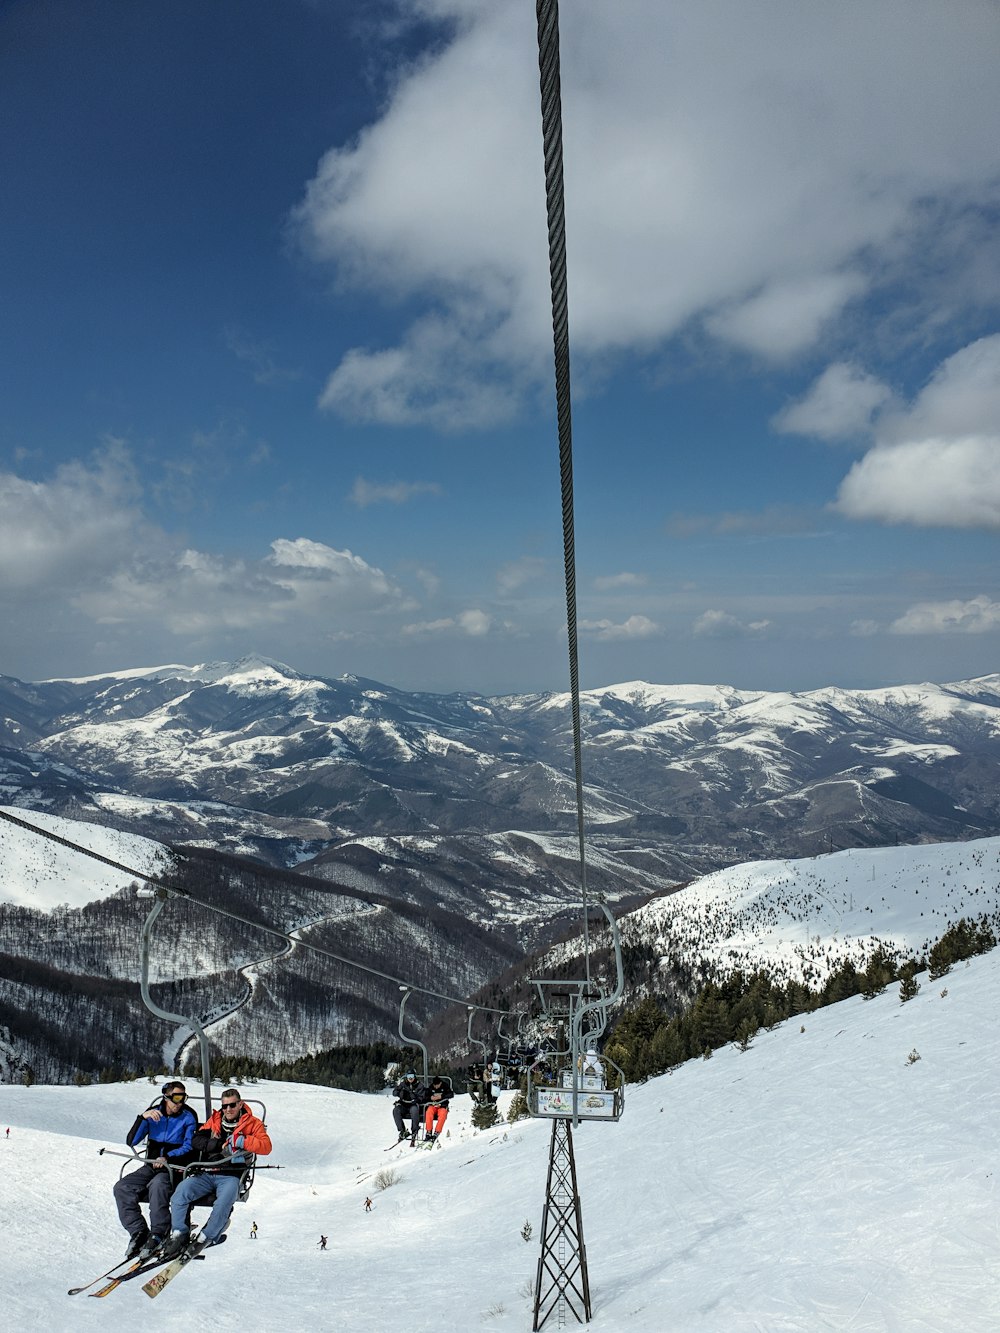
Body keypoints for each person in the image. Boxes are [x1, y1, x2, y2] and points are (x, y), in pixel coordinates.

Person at [159, 1088, 271, 1259]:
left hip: (232, 1175)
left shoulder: (252, 1123)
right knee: (181, 1193)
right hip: (208, 1171)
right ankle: (179, 1233)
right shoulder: (216, 1119)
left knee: (223, 1203)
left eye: (232, 1105)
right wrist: (216, 1144)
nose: (228, 1109)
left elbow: (266, 1146)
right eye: (225, 1106)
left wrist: (242, 1140)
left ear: (240, 1104)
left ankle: (207, 1236)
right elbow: (197, 1140)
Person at [113, 1080, 197, 1260]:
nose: (180, 1103)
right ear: (166, 1097)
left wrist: (168, 1158)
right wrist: (142, 1118)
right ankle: (138, 1231)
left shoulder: (188, 1116)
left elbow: (189, 1146)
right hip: (150, 1165)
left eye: (183, 1098)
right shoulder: (154, 1115)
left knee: (158, 1186)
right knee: (122, 1187)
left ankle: (159, 1231)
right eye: (176, 1098)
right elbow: (131, 1141)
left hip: (173, 1168)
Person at [391, 1071, 422, 1141]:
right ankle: (402, 1131)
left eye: (412, 1076)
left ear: (414, 1076)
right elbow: (395, 1091)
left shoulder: (419, 1085)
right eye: (408, 1076)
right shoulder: (403, 1084)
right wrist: (398, 1093)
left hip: (413, 1105)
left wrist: (416, 1099)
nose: (410, 1078)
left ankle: (414, 1130)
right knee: (396, 1110)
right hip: (404, 1104)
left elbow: (422, 1096)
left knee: (414, 1111)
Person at [422, 1075, 452, 1141]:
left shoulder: (445, 1086)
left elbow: (451, 1094)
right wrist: (430, 1098)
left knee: (442, 1115)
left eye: (437, 1085)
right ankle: (429, 1131)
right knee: (429, 1112)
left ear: (440, 1083)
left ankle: (437, 1131)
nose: (436, 1087)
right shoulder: (431, 1087)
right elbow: (425, 1097)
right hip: (433, 1105)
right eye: (434, 1085)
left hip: (442, 1105)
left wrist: (442, 1096)